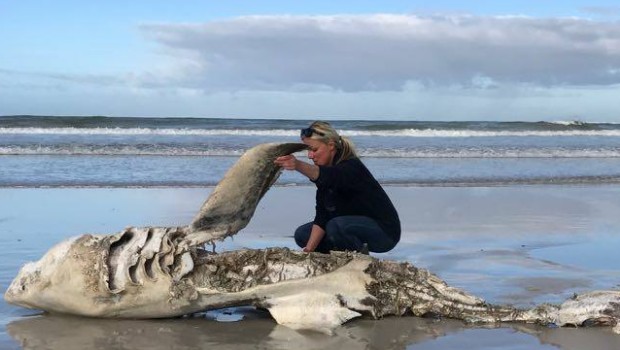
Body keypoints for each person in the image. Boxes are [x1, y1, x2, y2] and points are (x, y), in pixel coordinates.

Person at [274, 121, 400, 254]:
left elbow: (329, 176)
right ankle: (335, 258)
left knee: (336, 226)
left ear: (331, 145)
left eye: (314, 150)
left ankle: (360, 260)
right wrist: (308, 250)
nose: (310, 155)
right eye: (308, 150)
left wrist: (298, 165)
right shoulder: (326, 173)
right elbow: (323, 216)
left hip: (384, 233)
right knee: (303, 234)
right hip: (347, 226)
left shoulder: (351, 167)